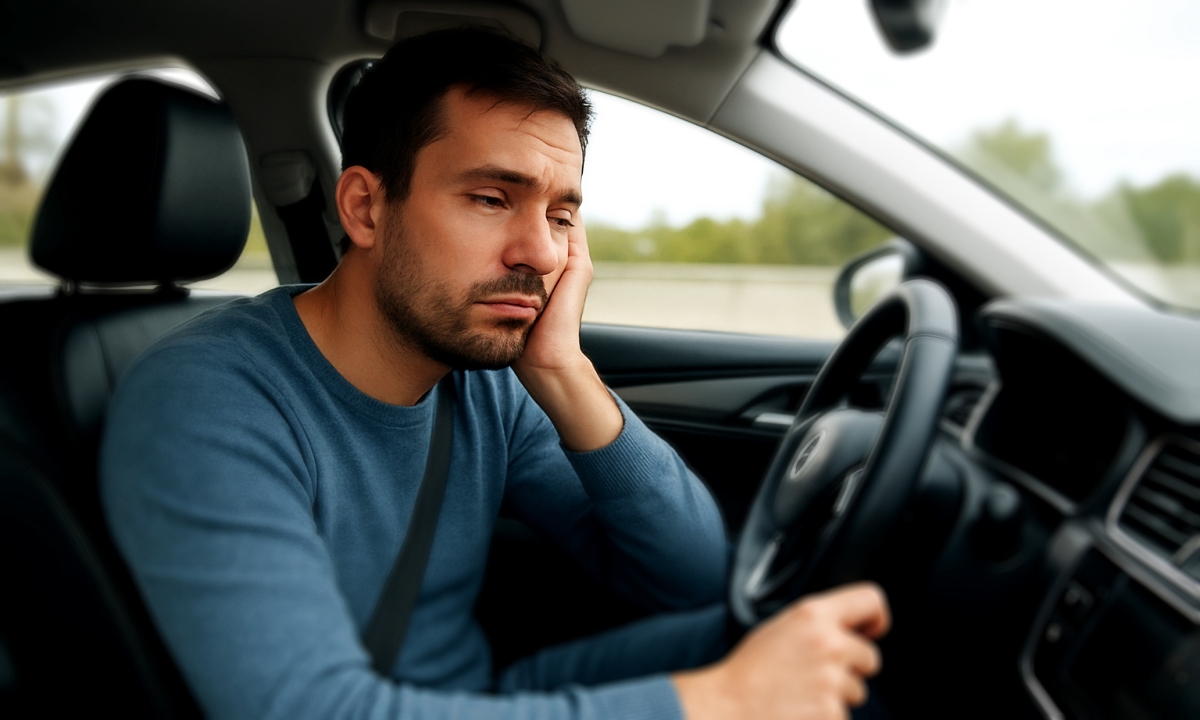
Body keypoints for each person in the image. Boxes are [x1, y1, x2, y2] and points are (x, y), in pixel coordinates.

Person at [101, 27, 889, 720]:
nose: (542, 254)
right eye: (490, 197)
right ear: (367, 209)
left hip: (483, 698)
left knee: (821, 639)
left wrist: (566, 370)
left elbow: (687, 580)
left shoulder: (481, 383)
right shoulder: (208, 402)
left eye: (561, 214)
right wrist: (717, 705)